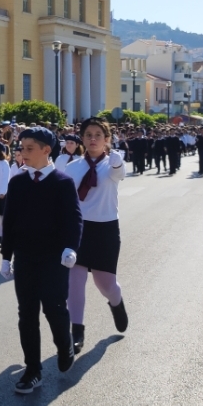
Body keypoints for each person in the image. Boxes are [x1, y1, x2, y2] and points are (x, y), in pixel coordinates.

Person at [0, 126, 81, 393]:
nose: (23, 152)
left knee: (55, 309)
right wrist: (5, 256)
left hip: (54, 259)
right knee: (27, 315)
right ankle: (32, 370)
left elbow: (74, 219)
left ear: (47, 150)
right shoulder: (18, 182)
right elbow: (9, 222)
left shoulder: (62, 182)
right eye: (21, 148)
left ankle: (64, 343)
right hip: (25, 258)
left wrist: (70, 247)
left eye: (29, 148)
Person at [64, 117, 128, 355]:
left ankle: (117, 303)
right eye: (88, 135)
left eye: (98, 135)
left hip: (105, 230)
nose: (93, 139)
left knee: (105, 284)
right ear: (82, 138)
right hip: (79, 229)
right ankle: (77, 331)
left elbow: (120, 175)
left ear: (107, 139)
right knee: (75, 282)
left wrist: (117, 162)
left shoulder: (112, 164)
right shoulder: (72, 168)